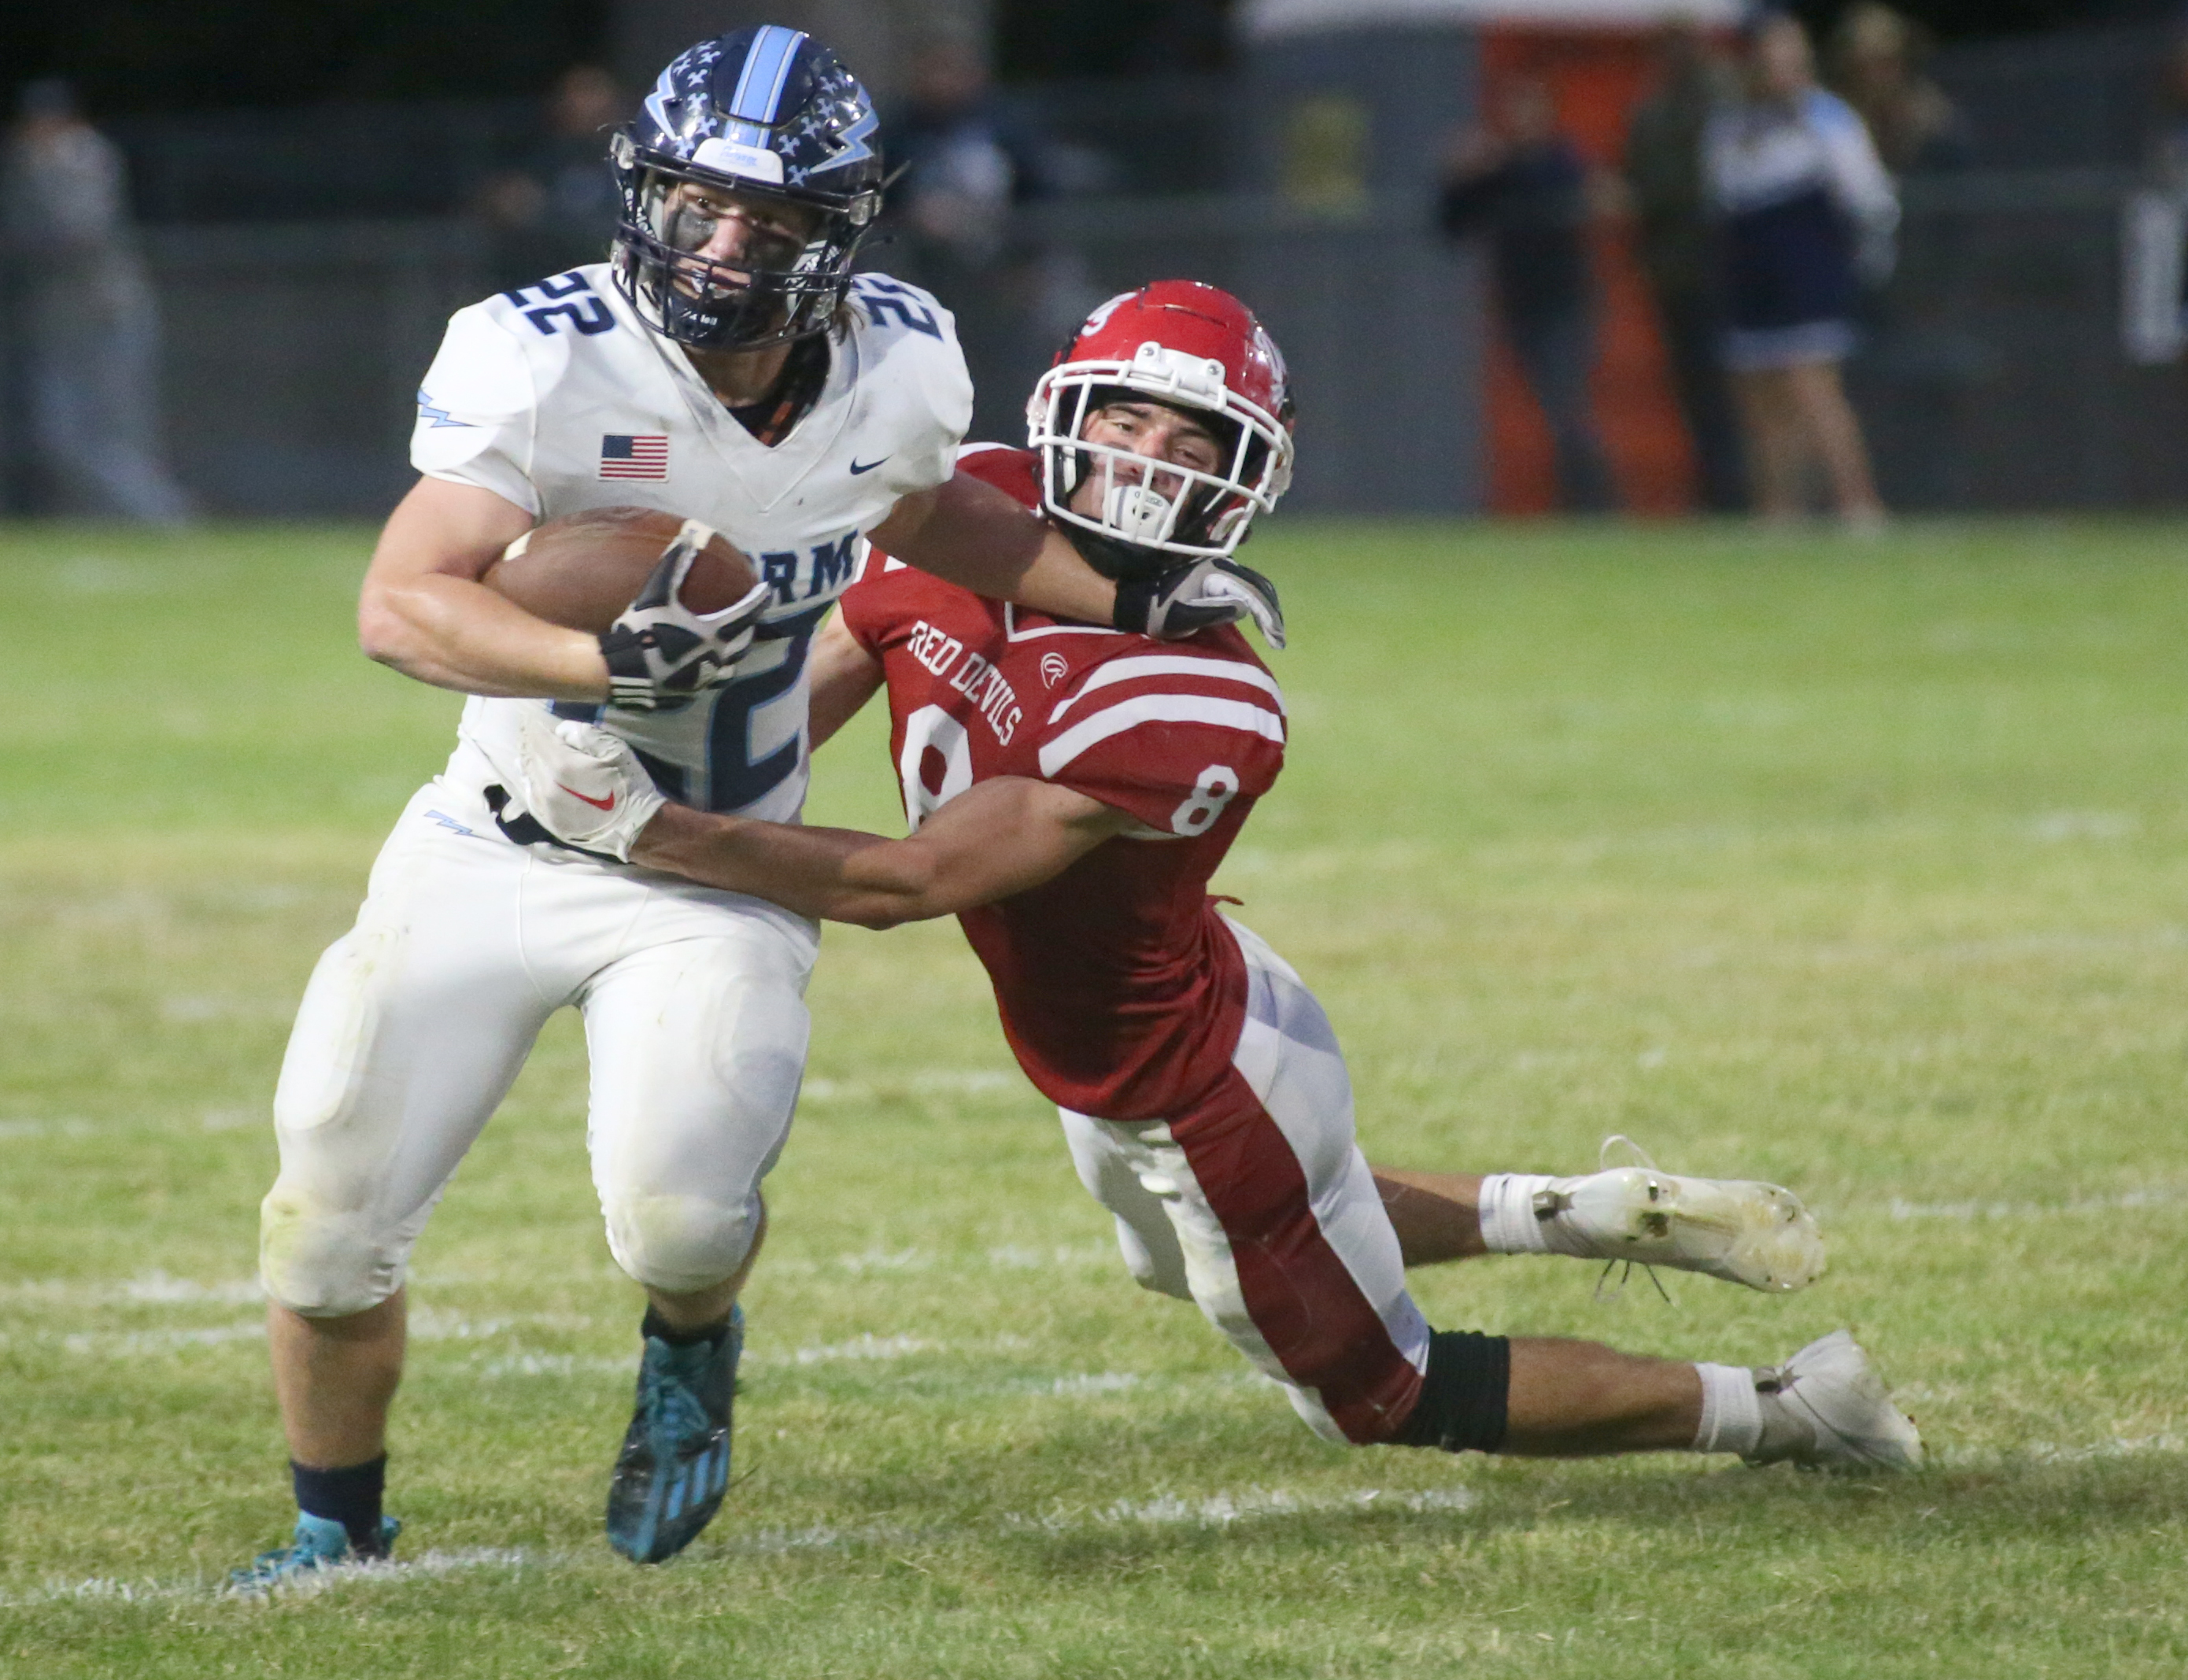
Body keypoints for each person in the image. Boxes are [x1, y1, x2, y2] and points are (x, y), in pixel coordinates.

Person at [488, 280, 1922, 1479]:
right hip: (1155, 1028)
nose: (1153, 456)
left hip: (1194, 1086)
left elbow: (909, 882)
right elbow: (854, 649)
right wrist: (703, 774)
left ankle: (1790, 1407)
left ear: (1251, 472)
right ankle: (1574, 1210)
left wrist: (648, 833)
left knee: (1377, 1396)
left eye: (1194, 433)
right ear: (1063, 414)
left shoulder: (1195, 702)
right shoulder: (976, 504)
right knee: (1185, 1265)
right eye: (1126, 414)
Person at [231, 28, 1282, 1589]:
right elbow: (401, 604)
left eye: (775, 219)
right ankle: (336, 1526)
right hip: (502, 822)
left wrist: (1137, 594)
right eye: (701, 206)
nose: (728, 248)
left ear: (841, 232)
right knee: (325, 1209)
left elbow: (933, 514)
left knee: (676, 1216)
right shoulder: (539, 352)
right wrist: (601, 652)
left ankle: (689, 1340)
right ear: (642, 195)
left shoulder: (898, 362)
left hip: (717, 867)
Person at [1706, 12, 1897, 527]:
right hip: (1753, 272)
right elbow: (1723, 194)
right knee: (1762, 400)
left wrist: (1866, 263)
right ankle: (1778, 510)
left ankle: (1859, 505)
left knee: (1813, 387)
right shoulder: (1730, 125)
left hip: (1809, 270)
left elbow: (1869, 197)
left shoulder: (1827, 119)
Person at [0, 79, 190, 522]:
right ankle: (138, 517)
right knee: (61, 436)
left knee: (111, 435)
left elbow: (77, 233)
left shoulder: (82, 157)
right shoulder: (32, 164)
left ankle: (162, 517)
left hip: (105, 316)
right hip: (61, 322)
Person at [1439, 75, 1617, 515]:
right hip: (1522, 306)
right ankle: (1582, 500)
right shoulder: (1499, 173)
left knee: (1566, 402)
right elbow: (1451, 223)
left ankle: (1594, 502)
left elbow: (1575, 193)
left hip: (1566, 302)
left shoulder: (1559, 161)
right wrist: (1455, 175)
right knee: (1557, 405)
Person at [1623, 24, 1746, 514]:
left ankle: (1741, 495)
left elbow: (1703, 185)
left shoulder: (1722, 100)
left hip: (1722, 271)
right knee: (1696, 392)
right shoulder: (1653, 110)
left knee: (1734, 392)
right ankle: (1718, 494)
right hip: (1677, 272)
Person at [476, 65, 630, 294]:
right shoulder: (543, 159)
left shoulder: (630, 161)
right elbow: (504, 202)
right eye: (579, 94)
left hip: (611, 284)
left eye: (594, 93)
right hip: (542, 283)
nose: (588, 105)